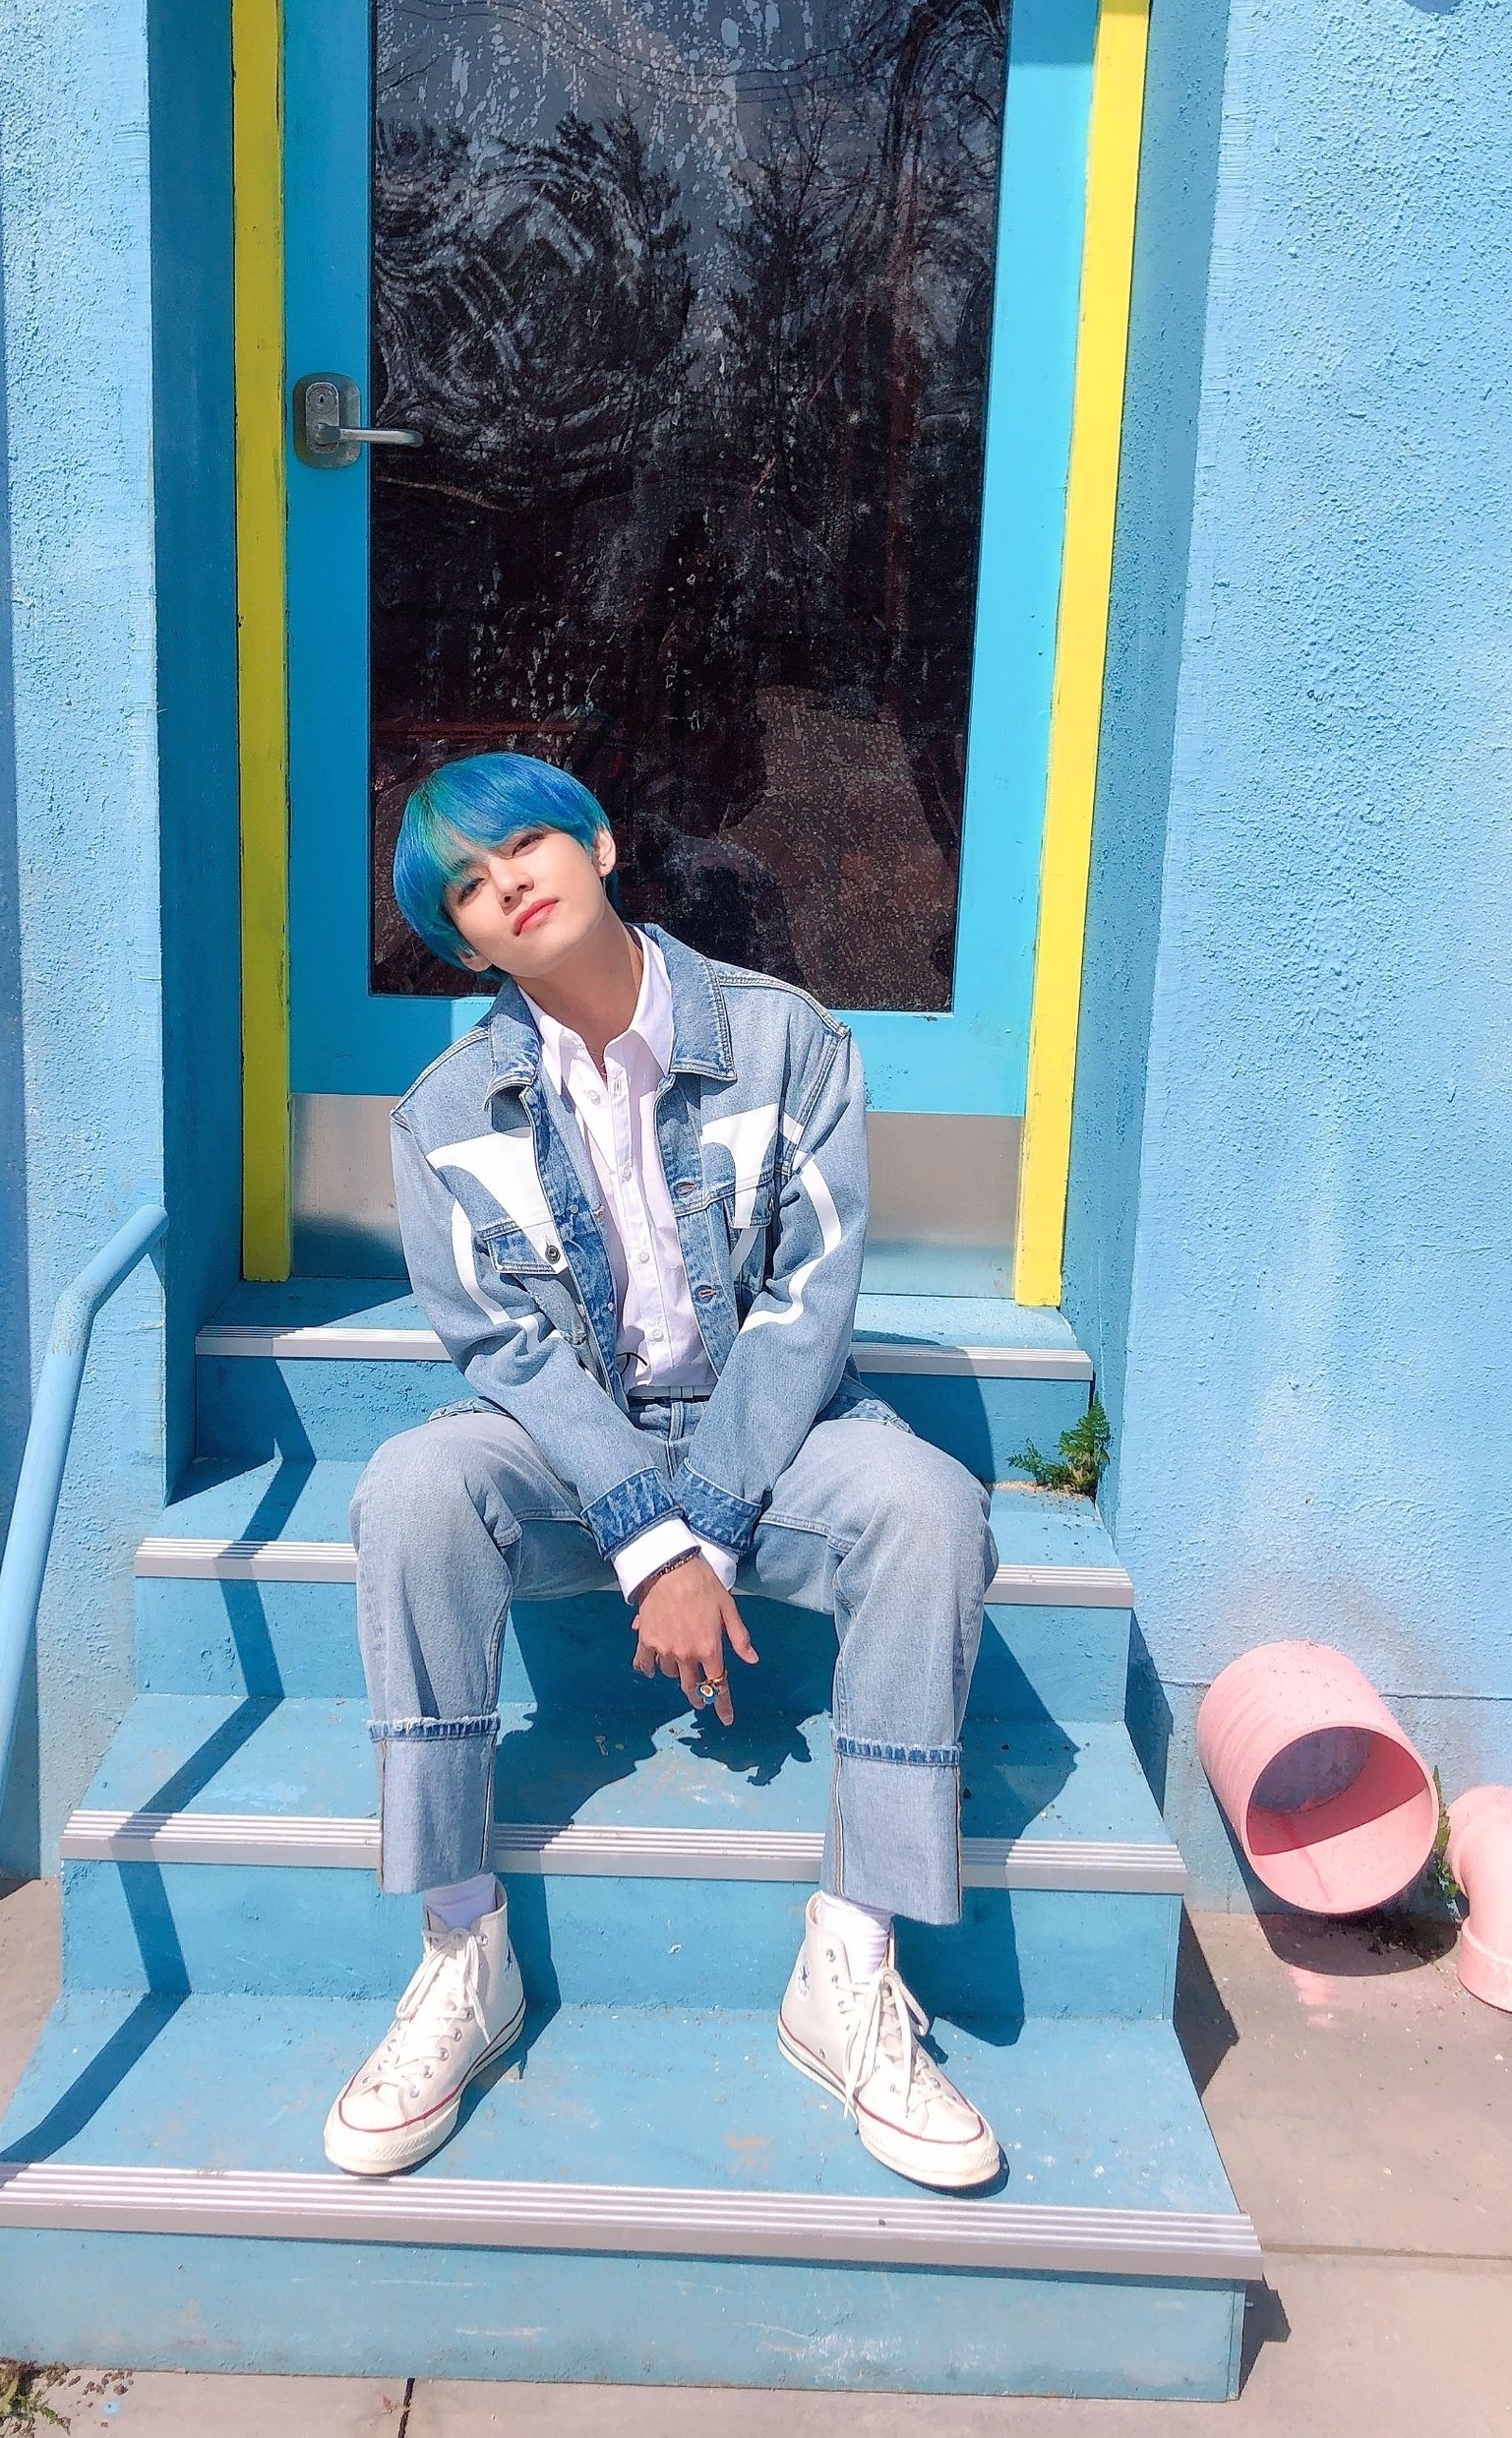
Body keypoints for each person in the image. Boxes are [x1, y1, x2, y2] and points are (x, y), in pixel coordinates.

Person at [324, 753, 999, 2190]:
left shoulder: (787, 1041)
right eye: (465, 885)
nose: (506, 881)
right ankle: (461, 1944)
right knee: (411, 1492)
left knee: (930, 1506)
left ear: (602, 843)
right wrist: (649, 1533)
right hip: (572, 1447)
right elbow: (504, 1353)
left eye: (523, 841)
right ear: (465, 946)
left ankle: (852, 1955)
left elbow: (809, 1300)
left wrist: (710, 1518)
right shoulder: (444, 1116)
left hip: (771, 1428)